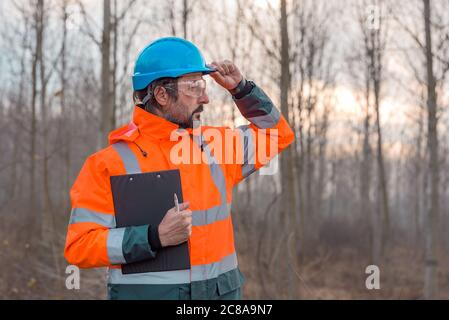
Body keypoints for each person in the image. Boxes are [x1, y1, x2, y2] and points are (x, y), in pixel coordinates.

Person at [64, 37, 295, 300]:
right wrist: (152, 237)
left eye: (203, 84)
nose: (206, 97)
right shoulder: (107, 164)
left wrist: (242, 90)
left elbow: (277, 135)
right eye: (195, 86)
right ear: (162, 94)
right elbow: (79, 247)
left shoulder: (215, 146)